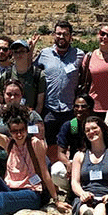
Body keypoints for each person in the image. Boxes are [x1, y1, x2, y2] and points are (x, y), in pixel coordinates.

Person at [0, 79, 45, 179]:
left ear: (21, 95)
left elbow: (39, 139)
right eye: (9, 94)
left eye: (16, 94)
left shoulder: (32, 116)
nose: (12, 97)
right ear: (3, 95)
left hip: (23, 161)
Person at [36, 21, 84, 162]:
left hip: (72, 112)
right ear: (53, 35)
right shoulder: (44, 54)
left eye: (65, 34)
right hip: (50, 111)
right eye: (59, 33)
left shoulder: (79, 55)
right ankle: (53, 173)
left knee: (74, 139)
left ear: (70, 37)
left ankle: (72, 171)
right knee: (50, 143)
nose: (61, 36)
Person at [0, 39, 46, 114]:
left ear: (28, 53)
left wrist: (32, 119)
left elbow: (39, 104)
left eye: (22, 51)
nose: (18, 55)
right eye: (16, 52)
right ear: (12, 54)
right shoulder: (7, 75)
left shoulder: (38, 75)